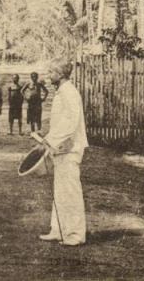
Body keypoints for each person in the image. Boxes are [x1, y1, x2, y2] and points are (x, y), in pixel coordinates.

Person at [39, 60, 88, 246]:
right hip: (61, 149)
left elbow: (71, 122)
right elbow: (60, 123)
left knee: (70, 192)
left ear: (60, 74)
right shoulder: (62, 92)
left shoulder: (69, 92)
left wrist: (51, 140)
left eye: (51, 71)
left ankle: (75, 235)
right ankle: (58, 230)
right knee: (60, 191)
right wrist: (49, 139)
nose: (49, 74)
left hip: (70, 149)